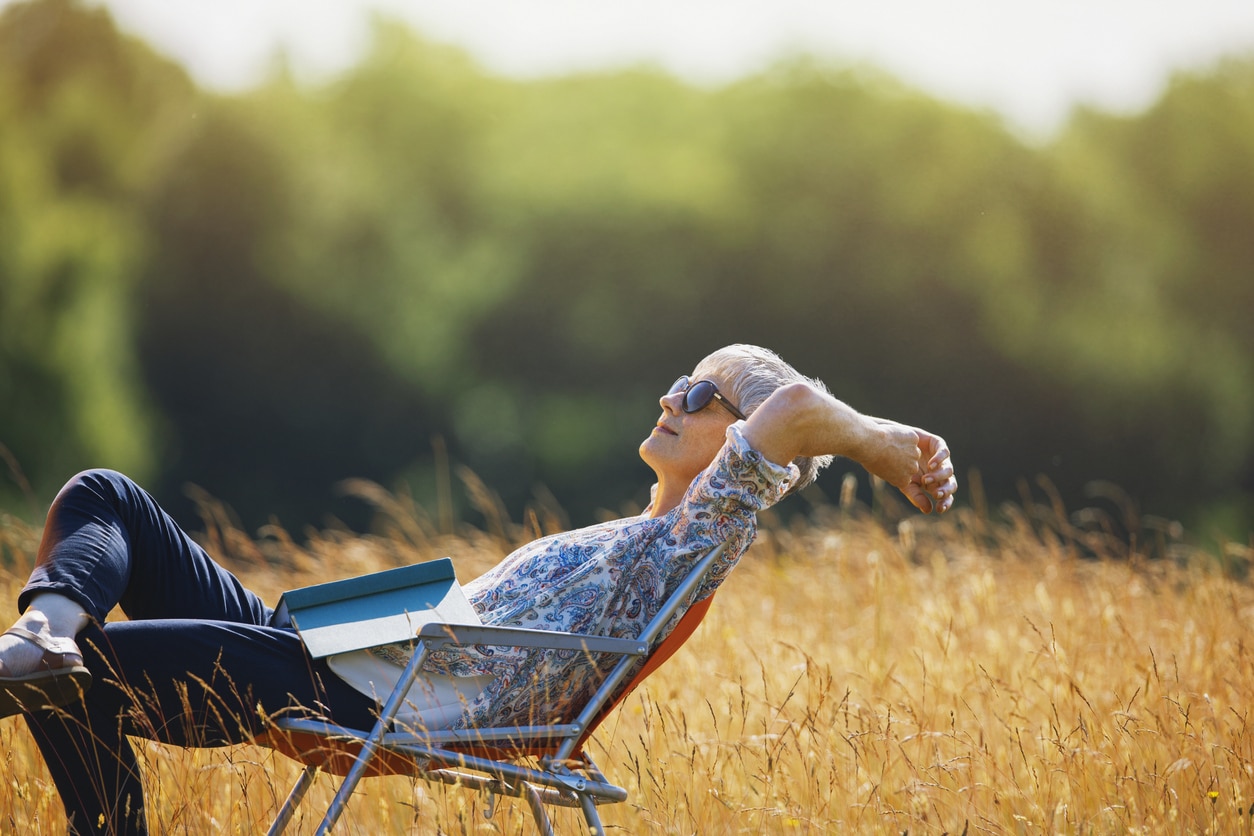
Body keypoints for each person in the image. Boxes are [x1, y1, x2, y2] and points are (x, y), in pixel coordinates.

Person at [0, 344, 955, 834]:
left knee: (85, 675)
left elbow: (789, 410)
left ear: (748, 458)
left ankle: (50, 659)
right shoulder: (635, 533)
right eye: (679, 382)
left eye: (706, 398)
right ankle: (43, 628)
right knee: (105, 496)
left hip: (376, 693)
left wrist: (879, 443)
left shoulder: (698, 537)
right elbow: (773, 409)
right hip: (336, 654)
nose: (674, 399)